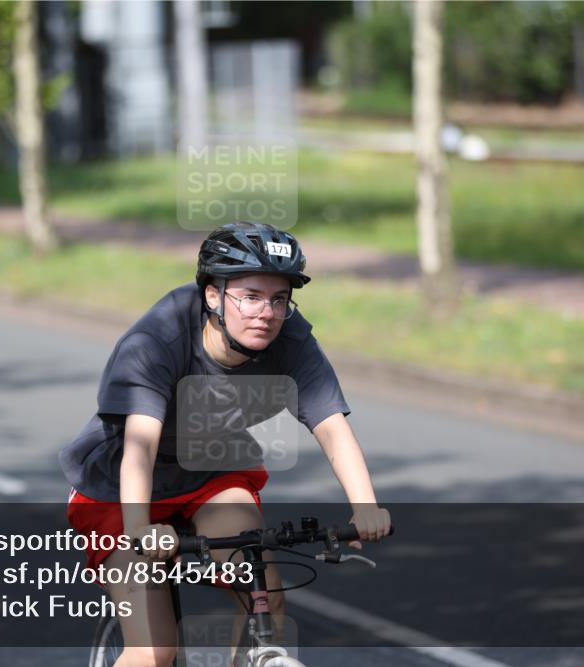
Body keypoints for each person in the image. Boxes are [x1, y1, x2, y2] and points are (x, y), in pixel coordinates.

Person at [60, 221, 391, 667]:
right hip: (120, 492)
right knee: (154, 652)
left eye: (279, 299)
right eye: (251, 296)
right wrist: (140, 530)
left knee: (263, 589)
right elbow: (139, 448)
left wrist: (365, 505)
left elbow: (332, 426)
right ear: (213, 296)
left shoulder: (290, 339)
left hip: (209, 475)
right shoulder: (157, 340)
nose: (267, 313)